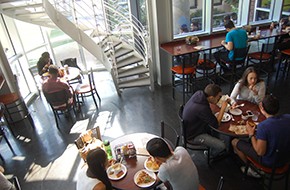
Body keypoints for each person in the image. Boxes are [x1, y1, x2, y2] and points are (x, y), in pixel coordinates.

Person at [232, 95, 290, 176]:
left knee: (234, 142)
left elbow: (260, 152)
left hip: (270, 162)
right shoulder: (288, 117)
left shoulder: (263, 126)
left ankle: (253, 169)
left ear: (261, 107)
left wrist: (251, 134)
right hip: (285, 158)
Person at [182, 84, 228, 158]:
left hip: (190, 127)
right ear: (211, 97)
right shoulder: (202, 108)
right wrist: (223, 109)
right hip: (193, 136)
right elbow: (216, 124)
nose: (219, 99)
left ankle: (213, 143)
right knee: (222, 146)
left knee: (214, 130)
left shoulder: (199, 94)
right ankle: (210, 154)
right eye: (218, 97)